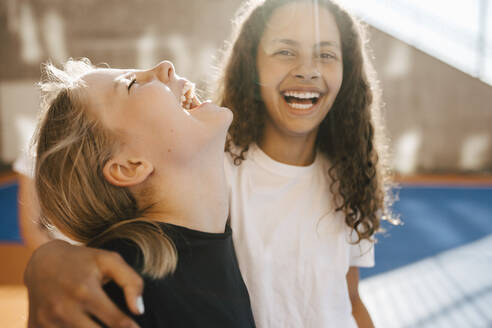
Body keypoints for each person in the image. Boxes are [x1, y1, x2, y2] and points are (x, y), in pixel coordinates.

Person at [23, 0, 397, 327]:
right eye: (285, 51)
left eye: (327, 54)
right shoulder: (212, 169)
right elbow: (98, 229)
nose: (307, 69)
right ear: (251, 66)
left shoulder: (350, 179)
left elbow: (348, 299)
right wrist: (47, 262)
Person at [30, 58, 256, 328]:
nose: (165, 66)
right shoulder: (118, 292)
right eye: (132, 84)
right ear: (129, 167)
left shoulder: (216, 248)